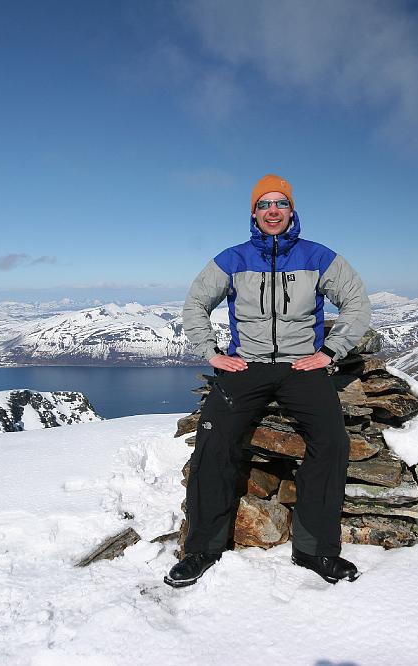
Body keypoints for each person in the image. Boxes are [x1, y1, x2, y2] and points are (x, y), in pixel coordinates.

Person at [166, 173, 372, 587]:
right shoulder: (233, 259)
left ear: (292, 211)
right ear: (254, 213)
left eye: (280, 204)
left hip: (302, 367)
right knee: (214, 440)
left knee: (331, 441)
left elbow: (357, 304)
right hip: (247, 366)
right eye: (264, 205)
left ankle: (315, 551)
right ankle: (203, 548)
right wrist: (212, 354)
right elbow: (194, 305)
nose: (272, 211)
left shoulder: (318, 257)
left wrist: (330, 353)